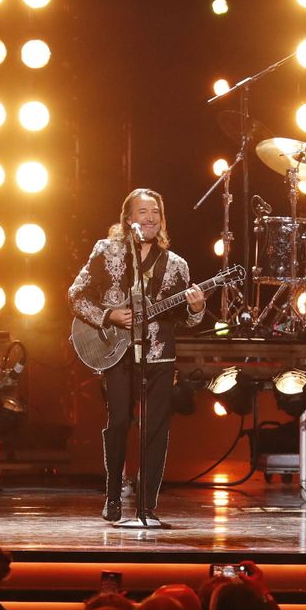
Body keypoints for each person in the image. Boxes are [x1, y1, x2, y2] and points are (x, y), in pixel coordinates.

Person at [67, 188, 207, 523]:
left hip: (159, 354)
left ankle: (147, 505)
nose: (150, 218)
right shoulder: (108, 251)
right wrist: (108, 316)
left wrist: (197, 308)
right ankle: (112, 494)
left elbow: (183, 319)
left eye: (155, 212)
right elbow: (76, 295)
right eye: (143, 212)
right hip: (116, 353)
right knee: (118, 423)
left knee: (156, 428)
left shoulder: (176, 265)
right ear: (128, 218)